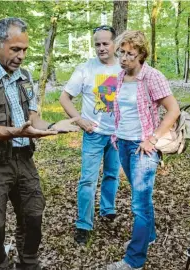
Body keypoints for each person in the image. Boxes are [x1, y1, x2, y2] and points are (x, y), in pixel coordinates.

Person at [0, 17, 79, 270]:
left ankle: (28, 264)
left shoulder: (24, 75)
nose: (21, 56)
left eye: (24, 49)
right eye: (15, 49)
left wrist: (54, 127)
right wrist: (14, 131)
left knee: (33, 216)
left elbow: (33, 118)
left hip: (24, 160)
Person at [107, 30, 180, 270]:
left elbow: (173, 110)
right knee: (142, 199)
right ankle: (148, 236)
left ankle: (134, 260)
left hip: (143, 149)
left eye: (130, 54)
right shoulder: (118, 78)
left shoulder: (152, 77)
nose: (124, 58)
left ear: (141, 55)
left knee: (139, 203)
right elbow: (114, 108)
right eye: (121, 53)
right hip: (123, 144)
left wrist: (153, 138)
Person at [60, 25, 122, 244]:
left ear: (115, 44)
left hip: (117, 135)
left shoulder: (125, 67)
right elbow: (64, 97)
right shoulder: (85, 69)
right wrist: (80, 120)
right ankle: (83, 224)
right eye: (97, 44)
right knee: (88, 180)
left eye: (106, 43)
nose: (101, 48)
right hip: (93, 134)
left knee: (112, 175)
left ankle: (108, 209)